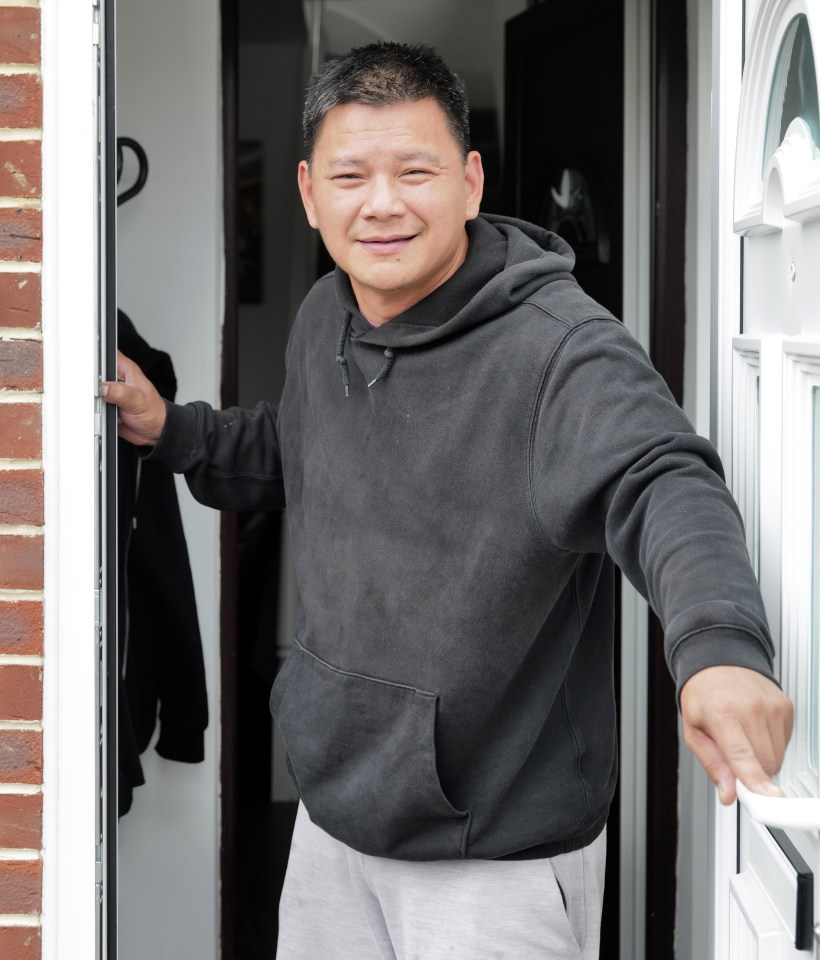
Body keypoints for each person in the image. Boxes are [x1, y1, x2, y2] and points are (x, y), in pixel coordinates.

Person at [102, 42, 792, 960]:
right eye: (351, 174)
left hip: (493, 862)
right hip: (333, 825)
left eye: (414, 171)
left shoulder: (560, 349)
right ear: (310, 192)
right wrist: (172, 428)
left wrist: (719, 648)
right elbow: (292, 446)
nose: (381, 203)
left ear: (469, 182)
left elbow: (662, 477)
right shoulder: (325, 314)